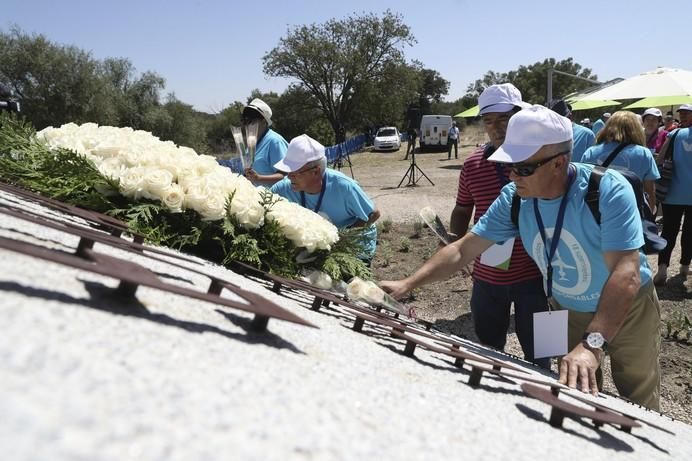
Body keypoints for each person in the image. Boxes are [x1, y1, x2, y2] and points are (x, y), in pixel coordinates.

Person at [383, 105, 661, 410]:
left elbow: (626, 272)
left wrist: (592, 343)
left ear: (559, 162)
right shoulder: (514, 197)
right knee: (577, 393)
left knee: (639, 398)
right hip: (564, 307)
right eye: (509, 167)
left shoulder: (606, 190)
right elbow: (463, 249)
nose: (513, 175)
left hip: (628, 308)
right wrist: (407, 285)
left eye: (524, 168)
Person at [448, 83, 548, 368]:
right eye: (489, 121)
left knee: (545, 354)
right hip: (488, 278)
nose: (496, 127)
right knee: (489, 352)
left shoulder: (541, 158)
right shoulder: (473, 165)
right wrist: (455, 239)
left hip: (540, 277)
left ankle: (551, 404)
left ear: (519, 117)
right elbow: (462, 208)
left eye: (504, 119)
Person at [271, 134, 381, 262]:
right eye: (287, 171)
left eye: (295, 172)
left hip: (355, 248)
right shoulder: (283, 188)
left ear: (316, 171)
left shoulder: (344, 186)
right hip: (319, 249)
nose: (289, 177)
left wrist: (343, 237)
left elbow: (373, 214)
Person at [581, 110, 660, 213]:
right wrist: (651, 210)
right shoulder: (644, 153)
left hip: (598, 211)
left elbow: (583, 184)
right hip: (631, 210)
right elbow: (649, 189)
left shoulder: (591, 152)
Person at [653, 105, 692, 285]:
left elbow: (659, 160)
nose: (682, 117)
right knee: (689, 232)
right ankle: (684, 267)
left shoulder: (674, 135)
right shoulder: (674, 133)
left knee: (668, 231)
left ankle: (662, 270)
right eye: (681, 114)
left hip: (672, 194)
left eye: (686, 114)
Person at [241, 98, 288, 187]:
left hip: (272, 198)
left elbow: (285, 176)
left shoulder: (275, 141)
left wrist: (259, 178)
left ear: (263, 122)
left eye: (252, 120)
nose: (247, 124)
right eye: (245, 120)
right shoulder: (251, 142)